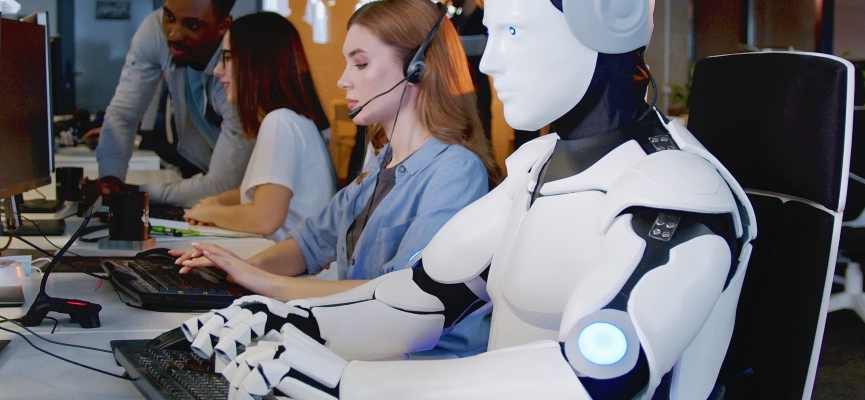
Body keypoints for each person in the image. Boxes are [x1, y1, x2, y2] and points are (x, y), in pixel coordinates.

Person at [178, 1, 758, 399]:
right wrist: (279, 321)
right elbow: (421, 299)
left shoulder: (678, 192)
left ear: (611, 17)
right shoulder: (535, 167)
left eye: (514, 32)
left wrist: (347, 382)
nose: (489, 61)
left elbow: (599, 375)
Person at [171, 0, 502, 356]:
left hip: (416, 370)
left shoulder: (454, 172)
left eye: (360, 63)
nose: (343, 79)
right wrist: (237, 269)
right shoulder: (379, 166)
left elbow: (398, 298)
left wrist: (269, 284)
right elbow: (309, 244)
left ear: (417, 69)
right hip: (363, 351)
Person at [180, 13, 336, 242]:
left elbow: (265, 217)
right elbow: (266, 194)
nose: (217, 71)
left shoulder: (280, 122)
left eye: (228, 58)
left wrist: (211, 213)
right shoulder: (294, 120)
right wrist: (219, 202)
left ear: (258, 63)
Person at [88, 0, 251, 207]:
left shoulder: (239, 71)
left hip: (254, 199)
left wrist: (135, 192)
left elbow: (222, 185)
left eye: (192, 25)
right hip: (210, 175)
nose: (174, 34)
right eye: (169, 17)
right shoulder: (156, 30)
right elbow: (124, 114)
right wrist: (110, 181)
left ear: (223, 25)